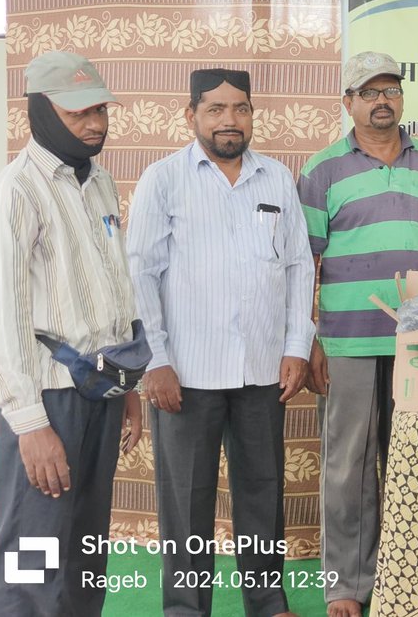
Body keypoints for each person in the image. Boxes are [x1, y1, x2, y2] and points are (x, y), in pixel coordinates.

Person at [127, 68, 314, 617]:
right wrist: (155, 360)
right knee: (186, 500)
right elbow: (140, 273)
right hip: (186, 372)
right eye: (215, 109)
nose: (229, 120)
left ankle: (266, 600)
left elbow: (300, 266)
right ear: (192, 116)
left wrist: (297, 346)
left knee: (263, 490)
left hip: (262, 369)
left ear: (253, 114)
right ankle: (186, 608)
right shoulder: (164, 178)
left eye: (240, 108)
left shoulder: (277, 178)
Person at [296, 51, 418, 617]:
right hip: (346, 339)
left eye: (390, 90)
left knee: (413, 462)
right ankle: (347, 584)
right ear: (348, 103)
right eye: (369, 92)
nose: (381, 101)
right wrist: (311, 340)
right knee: (347, 465)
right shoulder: (322, 170)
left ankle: (406, 579)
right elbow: (304, 265)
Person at [0, 51, 143, 616]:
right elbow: (2, 318)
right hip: (46, 401)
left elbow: (115, 289)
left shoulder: (98, 182)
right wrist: (29, 425)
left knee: (83, 558)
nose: (95, 124)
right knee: (33, 556)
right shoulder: (13, 191)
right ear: (41, 112)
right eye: (79, 114)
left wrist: (129, 386)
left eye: (100, 110)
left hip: (99, 393)